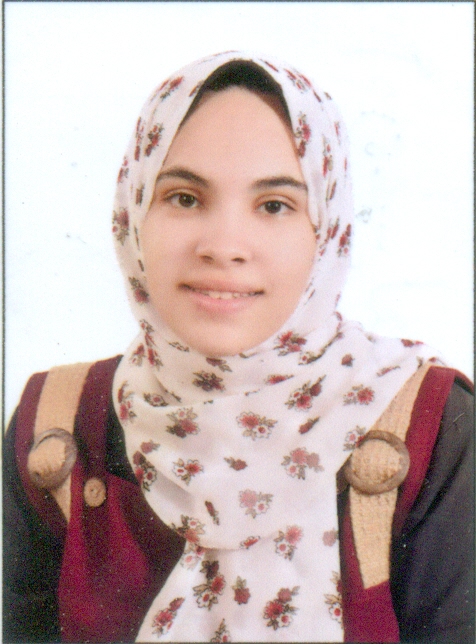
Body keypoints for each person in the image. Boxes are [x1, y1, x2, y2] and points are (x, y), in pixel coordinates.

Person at [3, 51, 473, 643]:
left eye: (274, 206)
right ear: (133, 212)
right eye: (184, 198)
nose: (224, 246)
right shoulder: (54, 425)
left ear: (326, 229)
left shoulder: (430, 425)